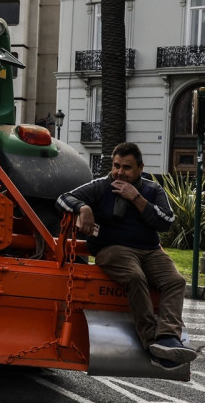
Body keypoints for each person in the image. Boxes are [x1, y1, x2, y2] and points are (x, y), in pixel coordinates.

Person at [57, 142, 197, 370]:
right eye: (116, 166)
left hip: (150, 250)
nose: (119, 172)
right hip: (112, 249)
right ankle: (152, 342)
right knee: (135, 277)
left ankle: (168, 338)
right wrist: (83, 207)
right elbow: (63, 198)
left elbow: (166, 222)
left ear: (140, 168)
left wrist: (137, 198)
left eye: (127, 167)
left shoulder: (153, 190)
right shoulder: (101, 186)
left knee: (176, 281)